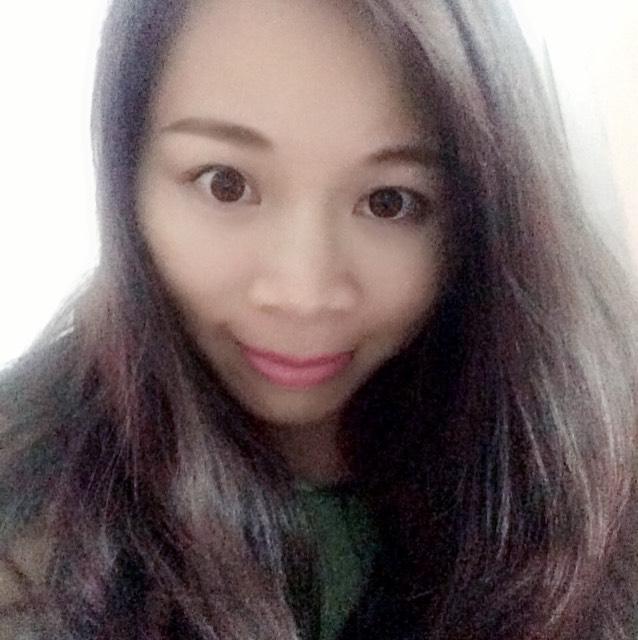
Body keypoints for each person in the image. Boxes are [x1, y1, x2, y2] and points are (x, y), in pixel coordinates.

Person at [1, 0, 637, 638]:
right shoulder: (25, 483)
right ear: (126, 180)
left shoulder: (590, 470)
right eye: (225, 184)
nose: (303, 294)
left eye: (390, 202)